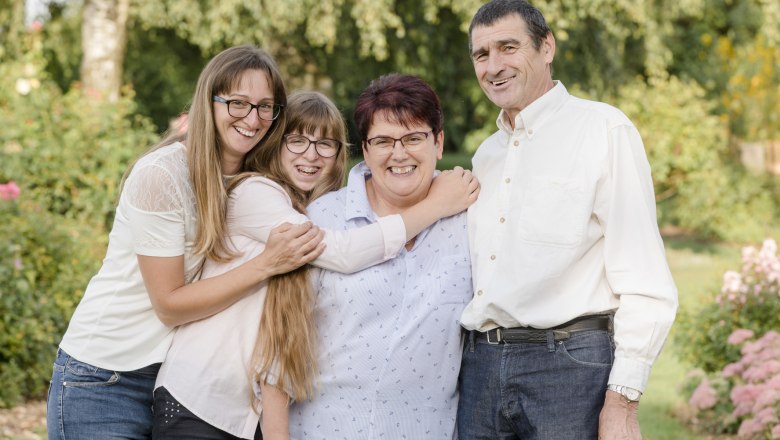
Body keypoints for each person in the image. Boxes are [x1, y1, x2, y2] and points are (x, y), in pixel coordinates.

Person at [151, 89, 477, 440]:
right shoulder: (258, 195)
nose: (312, 154)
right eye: (296, 140)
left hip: (245, 415)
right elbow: (342, 252)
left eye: (325, 144)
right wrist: (437, 205)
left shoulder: (309, 209)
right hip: (204, 398)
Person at [46, 46, 326, 440]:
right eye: (238, 103)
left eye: (266, 106)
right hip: (106, 379)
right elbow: (169, 305)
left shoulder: (249, 181)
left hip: (172, 381)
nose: (253, 118)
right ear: (208, 100)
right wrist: (266, 262)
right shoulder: (162, 176)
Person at [457, 1, 679, 439]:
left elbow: (644, 278)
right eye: (482, 55)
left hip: (570, 369)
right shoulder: (486, 155)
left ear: (547, 47)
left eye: (508, 47)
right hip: (482, 368)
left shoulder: (603, 131)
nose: (494, 66)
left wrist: (623, 402)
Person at [288, 74, 476, 439]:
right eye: (383, 141)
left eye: (413, 138)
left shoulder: (470, 222)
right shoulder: (322, 219)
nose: (399, 153)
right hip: (322, 429)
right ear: (366, 149)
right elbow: (279, 345)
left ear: (438, 143)